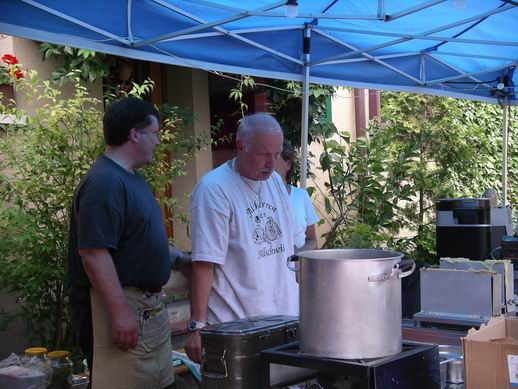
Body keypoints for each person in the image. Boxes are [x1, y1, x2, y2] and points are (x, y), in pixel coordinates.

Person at [67, 97, 188, 389]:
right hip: (118, 307)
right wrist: (120, 312)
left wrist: (181, 259)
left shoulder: (130, 178)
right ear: (135, 134)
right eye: (155, 133)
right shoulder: (104, 183)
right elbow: (94, 254)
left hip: (145, 309)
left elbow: (137, 240)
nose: (158, 142)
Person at [185, 113, 305, 363]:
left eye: (277, 154)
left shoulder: (274, 182)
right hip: (237, 330)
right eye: (263, 154)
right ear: (241, 147)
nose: (272, 164)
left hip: (285, 322)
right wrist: (197, 325)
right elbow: (204, 263)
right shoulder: (214, 190)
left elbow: (291, 249)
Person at [274, 139, 319, 251]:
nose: (267, 162)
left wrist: (293, 254)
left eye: (275, 157)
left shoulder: (301, 196)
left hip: (297, 266)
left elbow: (312, 241)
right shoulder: (256, 197)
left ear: (288, 164)